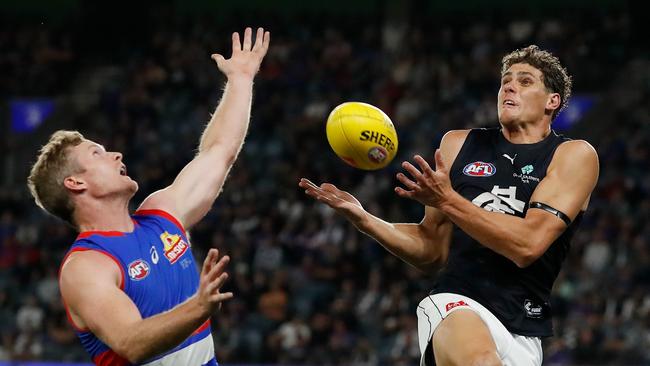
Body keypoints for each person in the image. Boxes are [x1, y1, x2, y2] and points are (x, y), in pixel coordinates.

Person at [299, 45, 599, 365]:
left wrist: (448, 199)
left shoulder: (573, 155)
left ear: (552, 102)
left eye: (525, 82)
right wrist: (365, 219)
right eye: (505, 80)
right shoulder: (459, 144)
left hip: (524, 329)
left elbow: (528, 244)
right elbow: (432, 251)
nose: (509, 86)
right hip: (456, 304)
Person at [27, 27, 270, 365]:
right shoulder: (86, 266)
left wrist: (241, 80)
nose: (116, 155)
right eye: (97, 154)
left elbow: (219, 151)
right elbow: (131, 342)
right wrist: (198, 307)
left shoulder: (160, 212)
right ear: (75, 183)